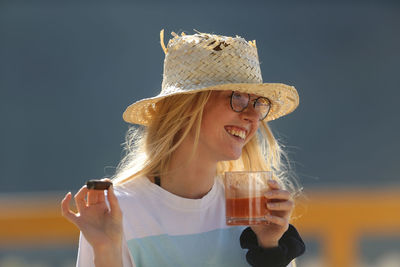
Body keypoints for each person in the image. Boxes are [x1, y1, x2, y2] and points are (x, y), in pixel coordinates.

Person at [61, 29, 305, 267]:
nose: (253, 116)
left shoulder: (253, 209)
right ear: (188, 105)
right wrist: (106, 250)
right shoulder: (118, 212)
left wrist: (270, 247)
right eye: (238, 98)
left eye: (258, 103)